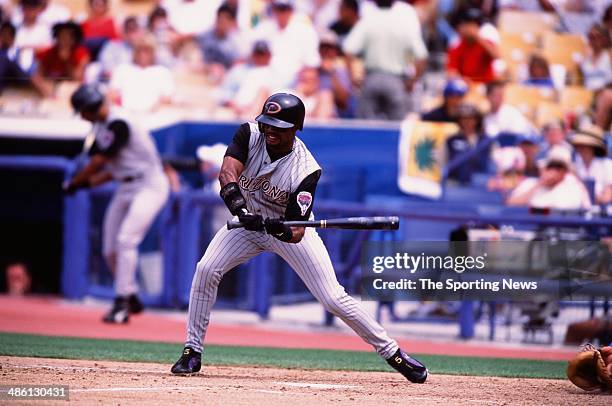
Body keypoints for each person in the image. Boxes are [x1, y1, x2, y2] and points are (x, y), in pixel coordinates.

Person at [169, 92, 428, 384]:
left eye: (278, 126)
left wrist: (277, 227)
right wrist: (241, 209)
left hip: (285, 229)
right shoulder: (249, 133)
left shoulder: (306, 169)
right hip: (245, 223)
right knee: (206, 269)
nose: (270, 131)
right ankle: (193, 351)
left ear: (294, 129)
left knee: (333, 298)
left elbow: (296, 232)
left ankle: (393, 353)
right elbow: (227, 173)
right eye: (268, 123)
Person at [63, 84, 170, 323]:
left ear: (90, 107)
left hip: (149, 185)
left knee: (126, 240)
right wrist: (85, 185)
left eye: (82, 110)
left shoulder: (118, 121)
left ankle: (121, 302)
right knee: (110, 249)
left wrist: (74, 183)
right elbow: (112, 171)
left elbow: (99, 162)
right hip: (126, 185)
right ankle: (131, 293)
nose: (81, 116)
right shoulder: (102, 126)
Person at [342, 0, 428, 120]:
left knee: (366, 131)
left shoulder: (369, 20)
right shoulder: (402, 23)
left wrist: (352, 77)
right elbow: (421, 55)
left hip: (372, 80)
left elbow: (348, 48)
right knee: (396, 131)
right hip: (396, 82)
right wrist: (412, 81)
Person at [251, 0, 320, 89]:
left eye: (285, 9)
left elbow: (312, 64)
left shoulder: (305, 31)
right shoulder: (264, 28)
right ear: (273, 9)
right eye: (278, 9)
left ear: (291, 10)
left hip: (294, 79)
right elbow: (251, 55)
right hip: (266, 75)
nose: (282, 13)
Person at [507, 146, 591, 210]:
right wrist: (539, 184)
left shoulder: (573, 186)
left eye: (558, 167)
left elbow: (556, 210)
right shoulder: (530, 183)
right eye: (550, 166)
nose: (553, 171)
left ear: (565, 171)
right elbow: (511, 204)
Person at [108, 34, 174, 113]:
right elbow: (112, 94)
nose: (142, 54)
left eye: (146, 50)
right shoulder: (122, 69)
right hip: (125, 114)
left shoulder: (163, 72)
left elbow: (167, 98)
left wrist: (152, 112)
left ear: (153, 52)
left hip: (155, 117)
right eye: (139, 50)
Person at [447, 8, 498, 84]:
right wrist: (462, 80)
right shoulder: (456, 46)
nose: (470, 28)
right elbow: (451, 73)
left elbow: (496, 56)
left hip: (486, 86)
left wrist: (477, 37)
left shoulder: (485, 42)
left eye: (474, 25)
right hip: (466, 87)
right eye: (468, 25)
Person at [445, 103, 490, 184]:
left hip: (479, 181)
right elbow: (449, 162)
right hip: (455, 181)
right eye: (464, 118)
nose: (467, 122)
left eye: (470, 118)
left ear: (476, 120)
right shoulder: (452, 140)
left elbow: (485, 163)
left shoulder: (485, 140)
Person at [569, 125, 611, 204]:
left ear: (593, 147)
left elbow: (607, 197)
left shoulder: (607, 165)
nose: (580, 148)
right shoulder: (574, 166)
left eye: (584, 145)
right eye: (578, 145)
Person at [580, 24, 612, 92]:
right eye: (590, 36)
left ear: (604, 39)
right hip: (588, 94)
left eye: (596, 36)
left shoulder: (609, 55)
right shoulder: (584, 57)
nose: (593, 40)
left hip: (606, 93)